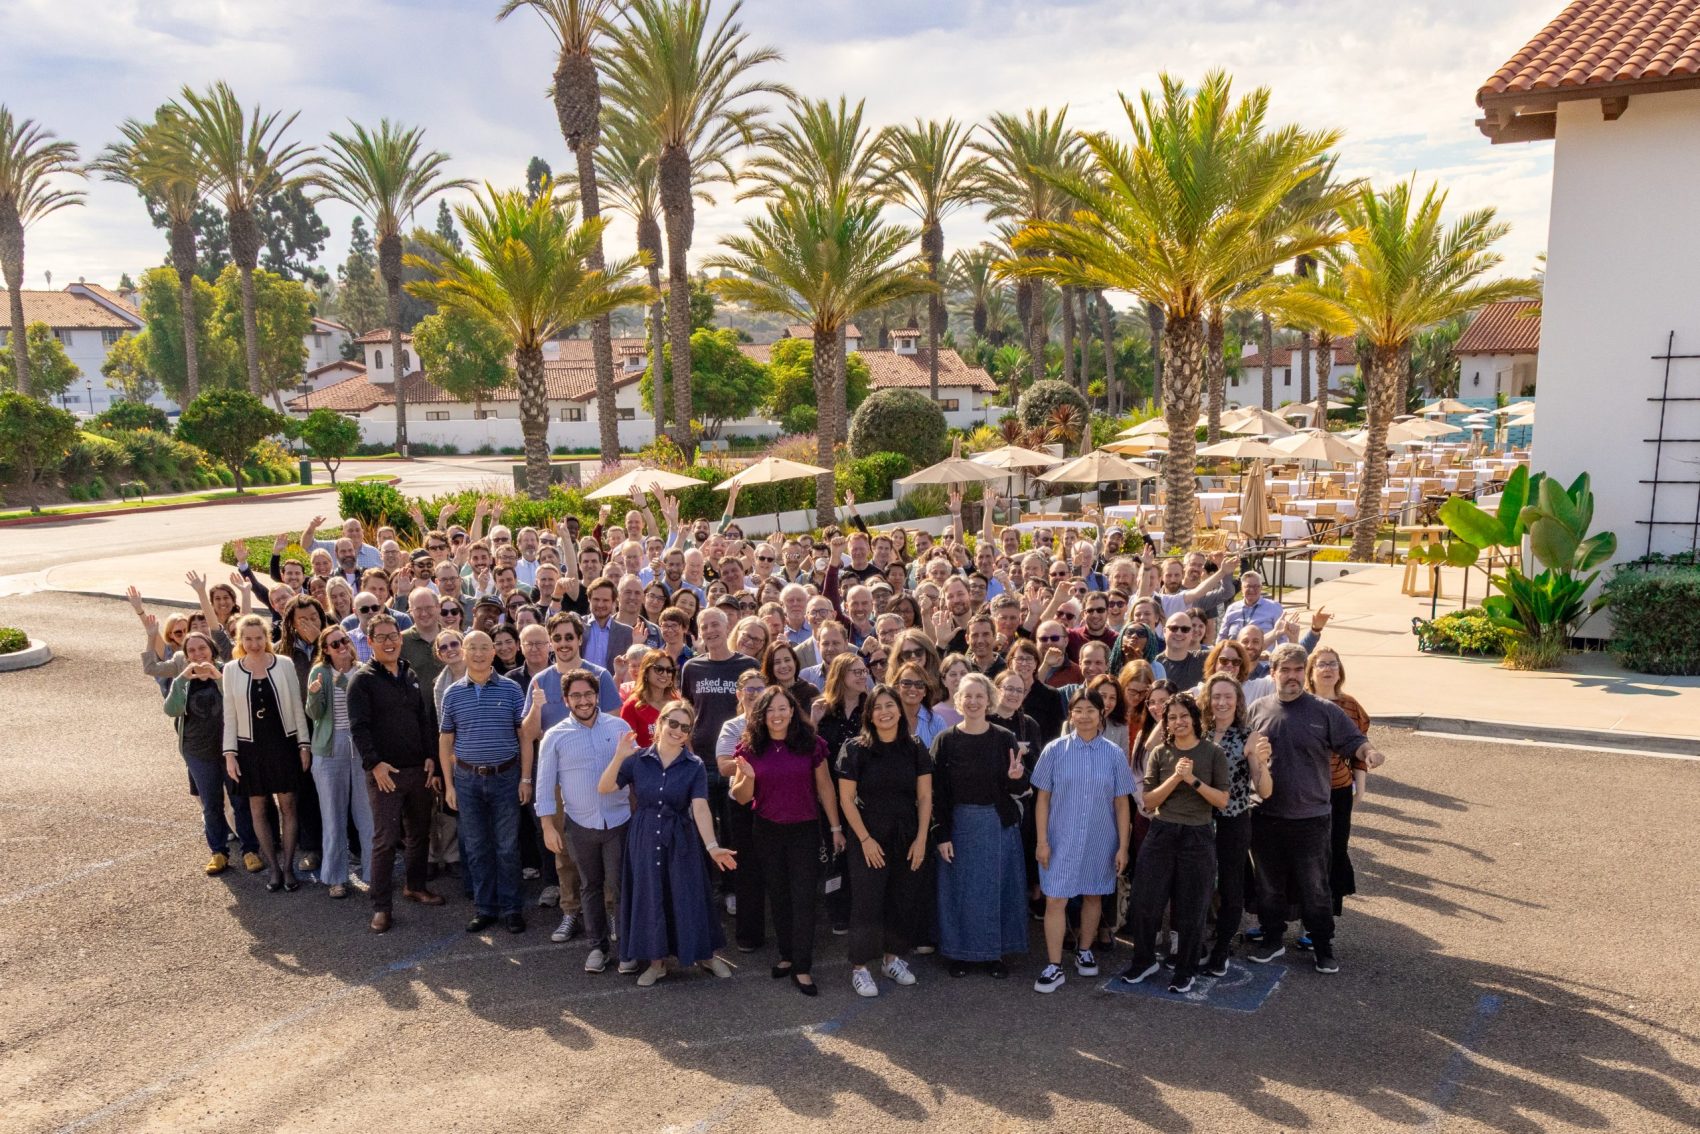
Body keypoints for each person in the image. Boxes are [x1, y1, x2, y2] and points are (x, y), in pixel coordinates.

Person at [1245, 644, 1385, 974]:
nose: (1292, 676)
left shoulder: (1324, 711)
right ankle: (1272, 939)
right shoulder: (1257, 710)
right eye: (1286, 670)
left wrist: (1369, 753)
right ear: (1273, 673)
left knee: (1315, 887)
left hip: (1311, 818)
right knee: (1268, 885)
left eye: (1297, 670)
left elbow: (1354, 742)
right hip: (1265, 815)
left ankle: (1322, 946)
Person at [599, 700, 738, 986]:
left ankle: (706, 955)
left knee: (688, 896)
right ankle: (656, 963)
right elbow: (605, 787)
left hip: (681, 838)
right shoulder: (637, 760)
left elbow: (700, 807)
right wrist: (619, 756)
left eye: (684, 727)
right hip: (644, 836)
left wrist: (712, 847)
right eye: (672, 723)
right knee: (650, 896)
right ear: (660, 723)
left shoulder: (694, 765)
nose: (677, 730)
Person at [729, 687, 845, 996]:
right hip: (767, 830)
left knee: (804, 898)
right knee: (779, 897)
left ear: (793, 711)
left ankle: (802, 966)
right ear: (762, 715)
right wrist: (749, 777)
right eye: (771, 710)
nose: (777, 715)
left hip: (805, 830)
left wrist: (835, 827)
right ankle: (786, 955)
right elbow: (741, 797)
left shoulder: (811, 744)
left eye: (783, 708)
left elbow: (825, 789)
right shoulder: (749, 747)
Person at [1118, 692, 1231, 994]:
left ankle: (1186, 969)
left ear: (1195, 719)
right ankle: (1143, 961)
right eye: (1172, 717)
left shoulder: (1213, 753)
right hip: (1162, 832)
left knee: (1192, 908)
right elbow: (1149, 800)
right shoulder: (1160, 754)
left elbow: (1221, 800)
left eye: (1184, 716)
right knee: (1145, 902)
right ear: (1165, 723)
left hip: (1198, 836)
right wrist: (1175, 779)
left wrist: (1193, 779)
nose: (1178, 722)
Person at [1030, 692, 1135, 993]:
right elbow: (1043, 799)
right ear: (1071, 715)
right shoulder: (1054, 750)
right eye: (1079, 710)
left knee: (1093, 895)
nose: (1085, 715)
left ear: (1102, 714)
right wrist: (1041, 841)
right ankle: (1053, 965)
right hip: (1059, 839)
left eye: (1091, 710)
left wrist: (1123, 846)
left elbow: (1121, 804)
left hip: (1100, 839)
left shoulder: (1113, 754)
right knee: (1055, 899)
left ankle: (1084, 950)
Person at [346, 613, 443, 932]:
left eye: (394, 636)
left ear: (400, 639)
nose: (389, 642)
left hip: (418, 769)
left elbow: (424, 719)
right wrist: (374, 764)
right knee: (385, 840)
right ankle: (381, 906)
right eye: (382, 637)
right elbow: (358, 728)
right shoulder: (362, 680)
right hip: (385, 774)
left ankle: (414, 886)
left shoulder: (409, 673)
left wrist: (431, 756)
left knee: (419, 833)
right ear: (370, 642)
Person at [836, 684, 933, 998]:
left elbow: (925, 796)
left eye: (889, 705)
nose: (885, 712)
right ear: (869, 714)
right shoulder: (855, 748)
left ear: (899, 709)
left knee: (902, 899)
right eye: (877, 707)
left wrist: (921, 839)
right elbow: (847, 800)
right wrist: (864, 839)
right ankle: (860, 968)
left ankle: (892, 959)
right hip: (869, 837)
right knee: (867, 903)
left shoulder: (915, 747)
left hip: (906, 835)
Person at [536, 669, 634, 974]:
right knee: (590, 886)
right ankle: (597, 948)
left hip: (619, 822)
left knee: (620, 887)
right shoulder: (555, 736)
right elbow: (544, 783)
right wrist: (548, 826)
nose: (583, 701)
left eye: (588, 694)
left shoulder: (619, 727)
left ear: (597, 696)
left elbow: (634, 771)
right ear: (566, 700)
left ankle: (628, 950)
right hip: (580, 826)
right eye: (576, 695)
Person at [932, 673, 1029, 979]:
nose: (973, 702)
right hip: (959, 824)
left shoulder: (1004, 738)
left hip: (997, 824)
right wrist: (942, 834)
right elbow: (937, 793)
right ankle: (958, 954)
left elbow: (1018, 786)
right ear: (958, 700)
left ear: (989, 700)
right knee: (958, 893)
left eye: (979, 696)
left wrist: (1017, 778)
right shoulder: (945, 740)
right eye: (967, 696)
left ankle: (995, 955)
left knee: (997, 891)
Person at [440, 630, 529, 935]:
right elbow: (445, 741)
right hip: (466, 780)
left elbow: (524, 738)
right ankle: (485, 908)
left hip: (506, 777)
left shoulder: (512, 690)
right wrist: (449, 786)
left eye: (484, 648)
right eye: (472, 648)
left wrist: (525, 778)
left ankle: (512, 907)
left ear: (494, 652)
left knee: (507, 846)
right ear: (463, 652)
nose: (478, 653)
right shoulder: (452, 693)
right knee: (476, 847)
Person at [221, 615, 312, 893]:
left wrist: (304, 745)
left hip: (283, 743)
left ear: (267, 638)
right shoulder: (231, 669)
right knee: (258, 808)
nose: (254, 643)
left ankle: (288, 867)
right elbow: (230, 714)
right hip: (250, 748)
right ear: (240, 641)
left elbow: (297, 705)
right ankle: (273, 867)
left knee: (288, 806)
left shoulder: (283, 664)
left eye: (259, 638)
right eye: (247, 639)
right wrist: (230, 753)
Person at [163, 631, 261, 875]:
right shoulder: (184, 680)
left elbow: (241, 703)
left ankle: (250, 850)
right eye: (192, 651)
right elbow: (171, 710)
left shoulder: (228, 671)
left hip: (231, 751)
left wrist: (217, 678)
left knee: (240, 801)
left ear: (211, 649)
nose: (198, 654)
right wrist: (182, 680)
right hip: (197, 752)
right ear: (186, 656)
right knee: (211, 804)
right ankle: (218, 851)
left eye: (202, 648)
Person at [1202, 674, 1272, 975]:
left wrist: (1261, 761)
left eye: (1228, 696)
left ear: (1238, 701)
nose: (1221, 702)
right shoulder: (1197, 732)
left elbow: (1265, 790)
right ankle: (1199, 943)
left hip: (1233, 821)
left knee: (1231, 888)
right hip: (1199, 822)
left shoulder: (1249, 736)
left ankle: (1221, 950)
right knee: (1200, 886)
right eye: (1216, 696)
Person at [304, 625, 375, 899]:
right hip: (329, 748)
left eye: (344, 640)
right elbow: (315, 714)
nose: (342, 646)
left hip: (360, 748)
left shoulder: (363, 670)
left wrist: (345, 679)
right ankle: (335, 877)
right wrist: (313, 694)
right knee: (332, 816)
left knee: (367, 816)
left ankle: (372, 874)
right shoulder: (319, 672)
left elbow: (369, 708)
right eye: (334, 644)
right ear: (326, 650)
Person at [1305, 647, 1371, 919]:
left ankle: (1325, 918)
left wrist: (1360, 788)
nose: (1328, 669)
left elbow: (1360, 749)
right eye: (1322, 664)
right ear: (1311, 671)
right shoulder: (1301, 703)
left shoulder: (1351, 706)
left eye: (1333, 664)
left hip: (1338, 789)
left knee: (1334, 850)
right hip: (1305, 790)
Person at [619, 649, 678, 747]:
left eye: (669, 670)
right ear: (646, 672)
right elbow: (626, 746)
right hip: (642, 761)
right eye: (659, 669)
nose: (664, 674)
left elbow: (685, 742)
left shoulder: (675, 702)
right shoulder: (632, 706)